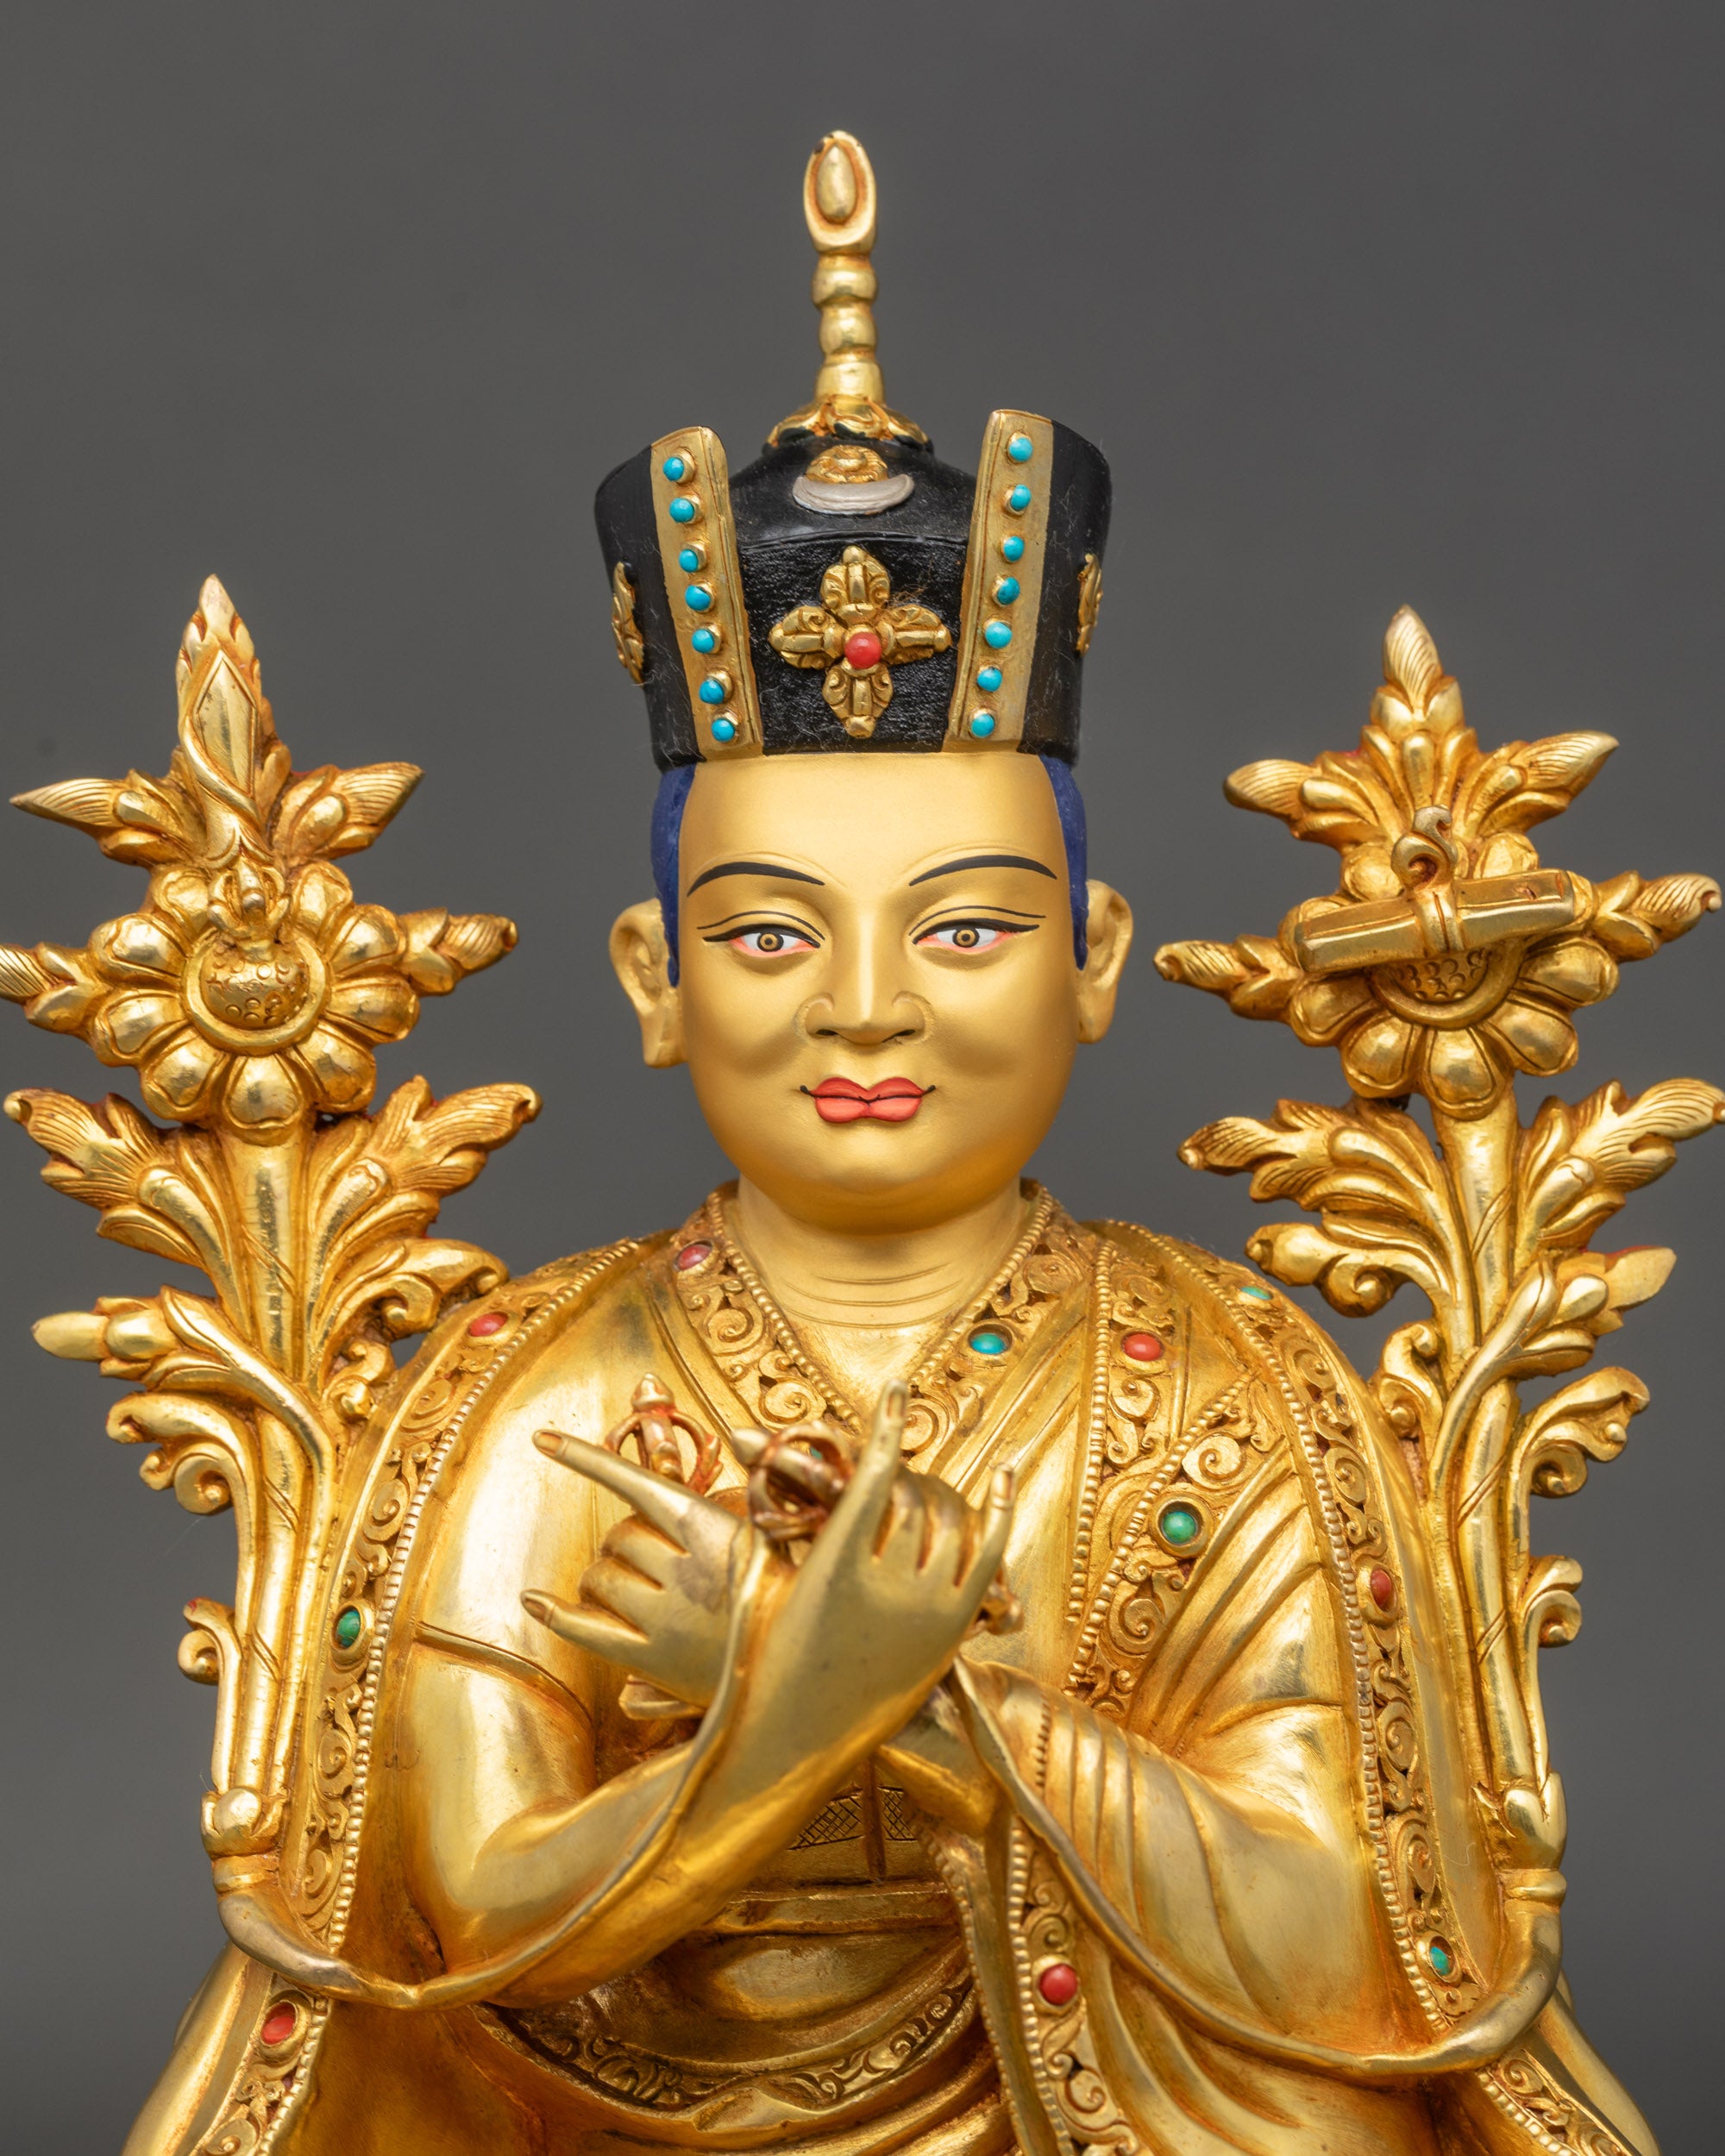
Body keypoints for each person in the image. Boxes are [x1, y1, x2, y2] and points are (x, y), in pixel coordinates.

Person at [114, 135, 1660, 2156]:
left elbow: (1332, 1945)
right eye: (767, 931)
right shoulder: (529, 1393)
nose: (865, 1001)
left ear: (1091, 957)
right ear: (651, 977)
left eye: (965, 925)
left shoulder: (1223, 1386)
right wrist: (811, 1698)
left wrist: (892, 1698)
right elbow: (466, 1918)